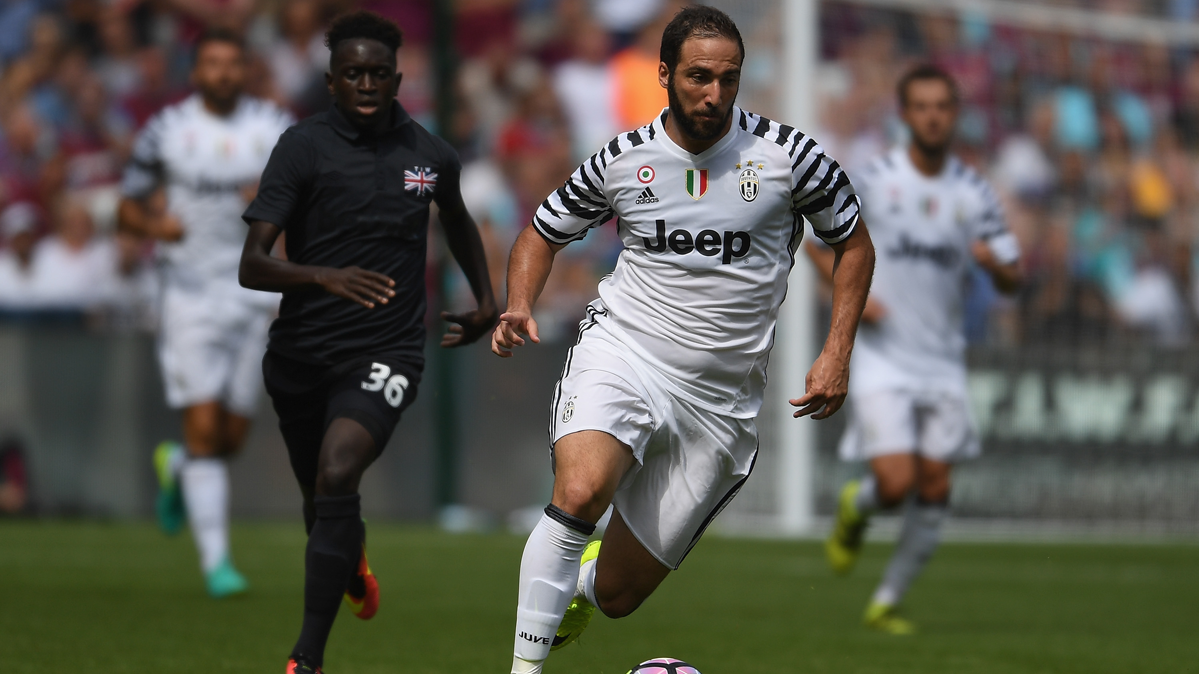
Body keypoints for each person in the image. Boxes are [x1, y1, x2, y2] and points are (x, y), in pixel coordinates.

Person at [491, 7, 875, 674]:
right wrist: (519, 302)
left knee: (618, 595)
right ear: (665, 74)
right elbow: (541, 232)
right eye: (699, 77)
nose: (714, 94)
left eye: (728, 79)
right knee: (578, 493)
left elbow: (853, 245)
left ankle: (578, 588)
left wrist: (836, 350)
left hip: (719, 403)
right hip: (626, 352)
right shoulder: (622, 159)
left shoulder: (791, 158)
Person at [237, 12, 497, 674]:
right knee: (320, 502)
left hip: (388, 350)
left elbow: (458, 220)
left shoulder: (429, 155)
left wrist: (486, 302)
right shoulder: (300, 148)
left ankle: (306, 659)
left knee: (337, 471)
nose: (366, 84)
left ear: (397, 80)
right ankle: (349, 558)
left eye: (378, 73)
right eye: (352, 73)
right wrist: (322, 275)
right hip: (300, 354)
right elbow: (252, 265)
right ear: (331, 81)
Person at [811, 65, 1022, 635]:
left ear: (955, 116)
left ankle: (886, 601)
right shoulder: (875, 179)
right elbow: (816, 245)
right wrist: (857, 301)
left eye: (942, 107)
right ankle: (856, 507)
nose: (932, 117)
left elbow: (1013, 277)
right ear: (905, 115)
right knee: (896, 481)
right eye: (921, 107)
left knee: (936, 485)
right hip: (883, 356)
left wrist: (996, 267)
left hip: (943, 360)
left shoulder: (974, 192)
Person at [117, 28, 295, 598]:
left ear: (245, 70)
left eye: (232, 63)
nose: (222, 72)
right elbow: (126, 208)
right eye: (212, 63)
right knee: (203, 428)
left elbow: (310, 198)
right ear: (195, 71)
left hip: (255, 294)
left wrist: (273, 205)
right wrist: (154, 225)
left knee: (229, 438)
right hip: (189, 293)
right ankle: (218, 564)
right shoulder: (166, 130)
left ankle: (177, 466)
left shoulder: (274, 127)